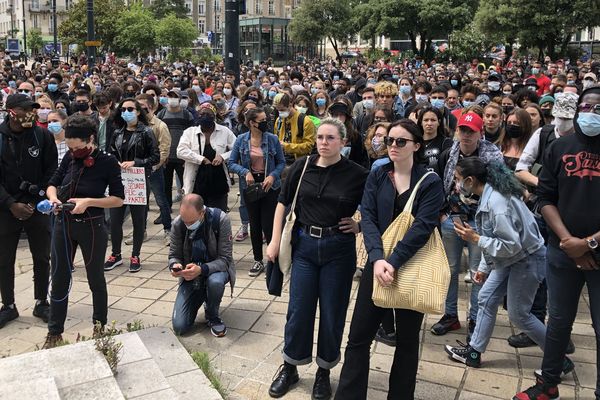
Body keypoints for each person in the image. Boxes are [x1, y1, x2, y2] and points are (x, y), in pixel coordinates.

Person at [336, 118, 444, 399]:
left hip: (412, 266)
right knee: (358, 337)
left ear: (416, 146)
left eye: (401, 141)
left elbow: (423, 227)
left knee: (407, 343)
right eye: (389, 141)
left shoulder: (430, 182)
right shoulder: (379, 174)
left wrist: (393, 261)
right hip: (378, 263)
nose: (393, 146)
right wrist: (377, 258)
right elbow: (368, 217)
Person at [266, 118, 368, 399]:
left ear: (343, 142)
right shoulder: (301, 167)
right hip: (305, 248)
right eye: (320, 137)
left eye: (331, 138)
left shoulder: (357, 174)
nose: (324, 142)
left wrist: (358, 226)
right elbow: (282, 204)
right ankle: (291, 366)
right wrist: (274, 241)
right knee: (299, 310)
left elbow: (373, 210)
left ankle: (324, 371)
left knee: (333, 313)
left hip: (338, 250)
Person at [444, 159, 574, 377]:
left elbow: (510, 244)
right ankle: (473, 353)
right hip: (512, 258)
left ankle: (559, 358)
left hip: (526, 259)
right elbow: (494, 237)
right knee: (486, 297)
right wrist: (484, 267)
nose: (456, 185)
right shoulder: (490, 196)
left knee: (519, 314)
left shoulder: (497, 204)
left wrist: (475, 239)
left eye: (458, 179)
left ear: (470, 180)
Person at [514, 85, 600, 400]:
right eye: (587, 107)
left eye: (598, 108)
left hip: (595, 252)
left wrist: (587, 243)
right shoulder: (560, 147)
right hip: (562, 250)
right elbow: (546, 196)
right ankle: (548, 383)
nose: (592, 113)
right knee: (558, 321)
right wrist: (568, 241)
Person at [42, 115, 124, 348]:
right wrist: (54, 198)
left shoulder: (107, 161)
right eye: (70, 147)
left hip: (92, 226)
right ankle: (54, 331)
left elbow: (118, 200)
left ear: (90, 139)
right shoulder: (69, 157)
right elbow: (53, 182)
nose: (74, 151)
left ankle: (99, 326)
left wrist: (89, 201)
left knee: (95, 277)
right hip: (63, 224)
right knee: (59, 277)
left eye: (78, 147)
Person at [432, 112, 503, 340]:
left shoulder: (492, 158)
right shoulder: (448, 155)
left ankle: (475, 317)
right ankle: (450, 314)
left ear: (480, 133)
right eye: (462, 130)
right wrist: (442, 215)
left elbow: (501, 189)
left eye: (471, 131)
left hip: (480, 222)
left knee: (477, 272)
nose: (465, 135)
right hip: (452, 218)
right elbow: (439, 185)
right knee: (450, 270)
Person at [0, 94, 57, 328]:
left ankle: (41, 301)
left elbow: (52, 169)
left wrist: (38, 199)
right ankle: (9, 305)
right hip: (6, 208)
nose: (31, 113)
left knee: (42, 257)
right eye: (26, 109)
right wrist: (11, 204)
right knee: (4, 259)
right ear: (11, 111)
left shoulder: (41, 135)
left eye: (33, 109)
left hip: (37, 206)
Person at [104, 98, 159, 273]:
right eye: (123, 109)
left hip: (138, 181)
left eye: (130, 109)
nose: (126, 112)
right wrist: (115, 163)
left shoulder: (146, 132)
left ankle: (135, 254)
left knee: (138, 221)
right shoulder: (117, 132)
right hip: (119, 180)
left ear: (137, 112)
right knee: (115, 221)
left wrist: (136, 162)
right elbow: (110, 153)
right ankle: (116, 254)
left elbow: (155, 157)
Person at [228, 107, 285, 277]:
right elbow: (231, 162)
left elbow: (281, 162)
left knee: (269, 223)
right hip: (250, 186)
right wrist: (245, 172)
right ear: (252, 123)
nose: (265, 123)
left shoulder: (272, 139)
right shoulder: (241, 140)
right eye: (262, 120)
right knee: (254, 223)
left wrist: (273, 176)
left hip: (270, 185)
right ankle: (257, 259)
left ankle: (272, 258)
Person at [169, 194, 235, 337]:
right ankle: (201, 295)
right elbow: (173, 254)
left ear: (202, 212)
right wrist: (175, 265)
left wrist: (202, 269)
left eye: (191, 221)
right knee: (180, 327)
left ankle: (213, 316)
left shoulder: (220, 219)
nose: (187, 225)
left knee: (215, 282)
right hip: (190, 275)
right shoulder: (177, 224)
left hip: (215, 269)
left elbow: (225, 259)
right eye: (184, 221)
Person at [177, 102, 236, 211]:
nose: (204, 117)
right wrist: (201, 159)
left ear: (214, 116)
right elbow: (180, 151)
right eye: (202, 114)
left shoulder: (225, 131)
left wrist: (223, 157)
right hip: (196, 182)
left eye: (208, 114)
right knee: (197, 214)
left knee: (218, 215)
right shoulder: (190, 132)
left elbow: (237, 149)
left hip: (218, 181)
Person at [137, 93, 172, 245]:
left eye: (141, 107)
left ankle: (168, 231)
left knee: (161, 201)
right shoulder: (135, 125)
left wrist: (154, 166)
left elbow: (164, 150)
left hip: (154, 169)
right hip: (137, 170)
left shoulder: (160, 126)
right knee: (140, 202)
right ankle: (141, 231)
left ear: (150, 107)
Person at [157, 90, 195, 210]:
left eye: (175, 97)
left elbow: (192, 136)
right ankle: (166, 210)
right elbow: (157, 135)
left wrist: (188, 156)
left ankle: (187, 209)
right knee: (166, 185)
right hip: (167, 157)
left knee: (186, 185)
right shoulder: (161, 114)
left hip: (182, 157)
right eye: (170, 96)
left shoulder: (187, 115)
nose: (172, 99)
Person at [273, 93, 316, 165]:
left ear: (290, 105)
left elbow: (309, 146)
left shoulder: (305, 121)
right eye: (278, 110)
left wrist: (286, 146)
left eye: (282, 109)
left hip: (298, 163)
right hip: (281, 161)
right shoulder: (279, 120)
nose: (280, 112)